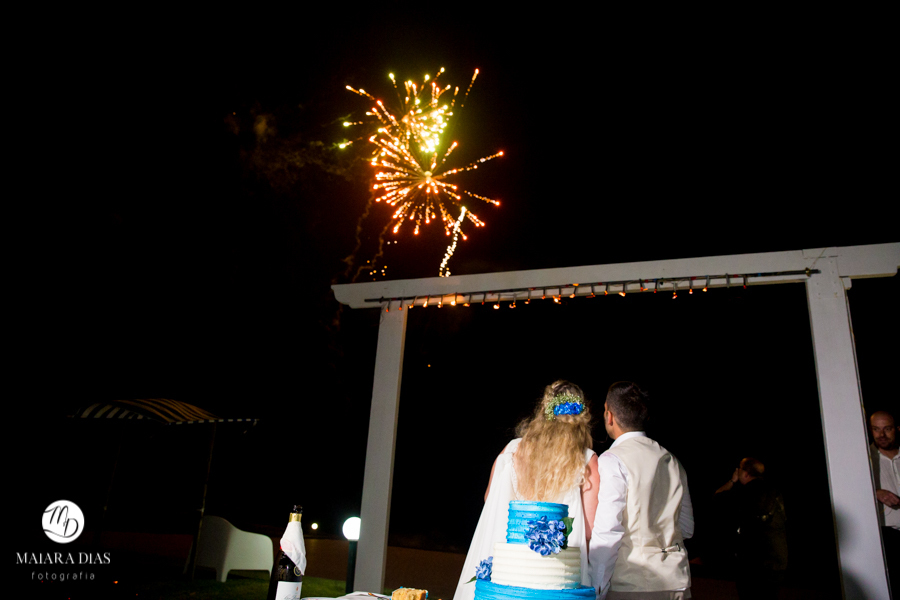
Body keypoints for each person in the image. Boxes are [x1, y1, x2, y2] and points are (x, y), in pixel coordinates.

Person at [453, 381, 600, 600]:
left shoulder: (512, 449)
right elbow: (589, 530)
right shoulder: (587, 460)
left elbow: (490, 498)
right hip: (557, 574)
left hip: (506, 571)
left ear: (543, 410)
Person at [589, 382, 694, 600]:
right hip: (677, 581)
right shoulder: (671, 459)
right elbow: (686, 528)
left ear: (609, 415)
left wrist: (596, 588)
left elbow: (608, 531)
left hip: (634, 583)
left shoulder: (612, 460)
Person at [714, 458, 788, 599]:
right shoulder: (774, 492)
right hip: (777, 560)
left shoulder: (745, 493)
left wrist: (732, 481)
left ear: (746, 474)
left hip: (754, 563)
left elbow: (718, 498)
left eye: (740, 469)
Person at [869, 410, 899, 596]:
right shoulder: (865, 458)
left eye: (887, 429)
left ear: (897, 429)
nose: (881, 435)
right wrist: (875, 493)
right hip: (886, 534)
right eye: (876, 429)